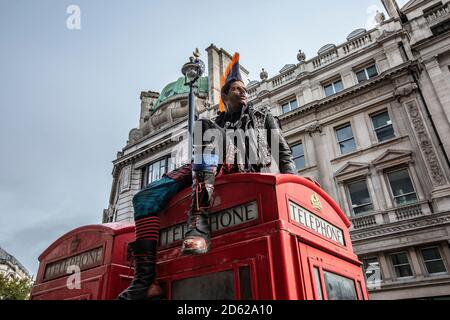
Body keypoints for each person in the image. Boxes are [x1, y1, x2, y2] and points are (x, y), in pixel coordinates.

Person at [117, 53, 296, 300]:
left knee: (205, 130)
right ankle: (145, 280)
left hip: (242, 168)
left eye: (245, 89)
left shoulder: (262, 117)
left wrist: (296, 186)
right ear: (224, 96)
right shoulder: (215, 122)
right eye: (236, 89)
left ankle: (198, 219)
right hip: (209, 165)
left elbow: (283, 152)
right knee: (144, 197)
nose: (243, 93)